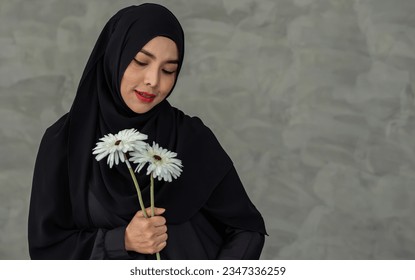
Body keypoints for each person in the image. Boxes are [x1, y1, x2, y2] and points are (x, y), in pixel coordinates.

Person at [28, 3, 266, 260]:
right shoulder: (64, 141)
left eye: (168, 70)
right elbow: (47, 251)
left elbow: (247, 229)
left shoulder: (190, 138)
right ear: (114, 56)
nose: (154, 80)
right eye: (140, 62)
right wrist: (122, 240)